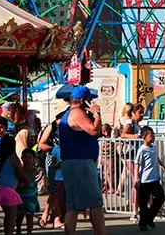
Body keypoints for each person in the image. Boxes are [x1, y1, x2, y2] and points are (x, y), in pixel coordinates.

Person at [58, 86, 105, 235]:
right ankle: (100, 232)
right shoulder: (77, 113)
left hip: (72, 163)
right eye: (90, 100)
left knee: (73, 206)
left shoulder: (69, 114)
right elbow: (94, 130)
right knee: (95, 203)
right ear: (84, 100)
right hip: (81, 163)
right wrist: (97, 113)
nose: (92, 102)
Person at [0, 116, 33, 235]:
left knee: (8, 216)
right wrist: (27, 179)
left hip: (0, 189)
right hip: (9, 191)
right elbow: (21, 173)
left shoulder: (1, 159)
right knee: (11, 217)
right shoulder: (13, 159)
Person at [133, 126, 165, 231]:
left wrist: (162, 165)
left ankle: (149, 217)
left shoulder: (153, 147)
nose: (153, 138)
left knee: (161, 197)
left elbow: (156, 157)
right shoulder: (142, 150)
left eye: (153, 135)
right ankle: (143, 222)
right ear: (144, 137)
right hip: (145, 180)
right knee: (143, 202)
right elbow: (137, 164)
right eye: (151, 135)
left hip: (154, 179)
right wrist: (136, 179)